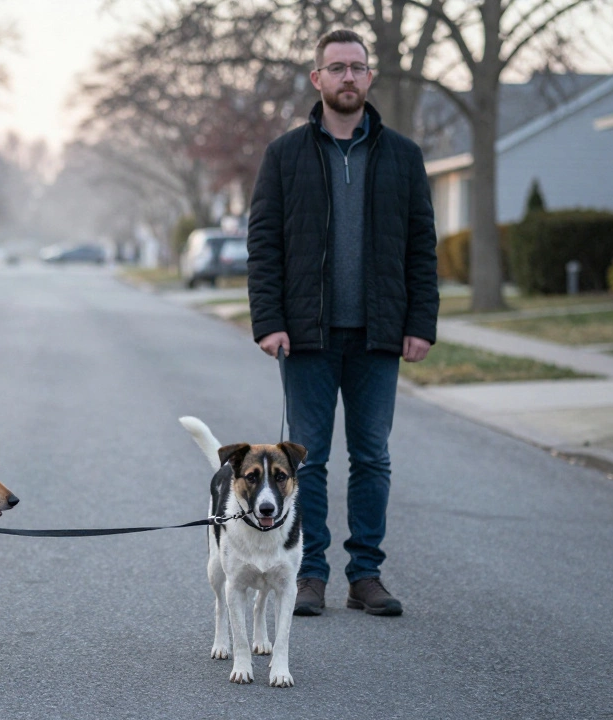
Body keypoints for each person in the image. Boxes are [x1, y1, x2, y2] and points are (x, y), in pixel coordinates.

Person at [245, 29, 438, 617]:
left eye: (357, 67)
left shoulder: (402, 155)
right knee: (311, 460)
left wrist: (420, 322)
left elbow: (421, 246)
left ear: (369, 77)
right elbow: (264, 243)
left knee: (372, 457)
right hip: (308, 336)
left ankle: (366, 575)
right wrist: (268, 321)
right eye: (337, 68)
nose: (348, 77)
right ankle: (309, 575)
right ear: (317, 79)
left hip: (379, 334)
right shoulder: (285, 155)